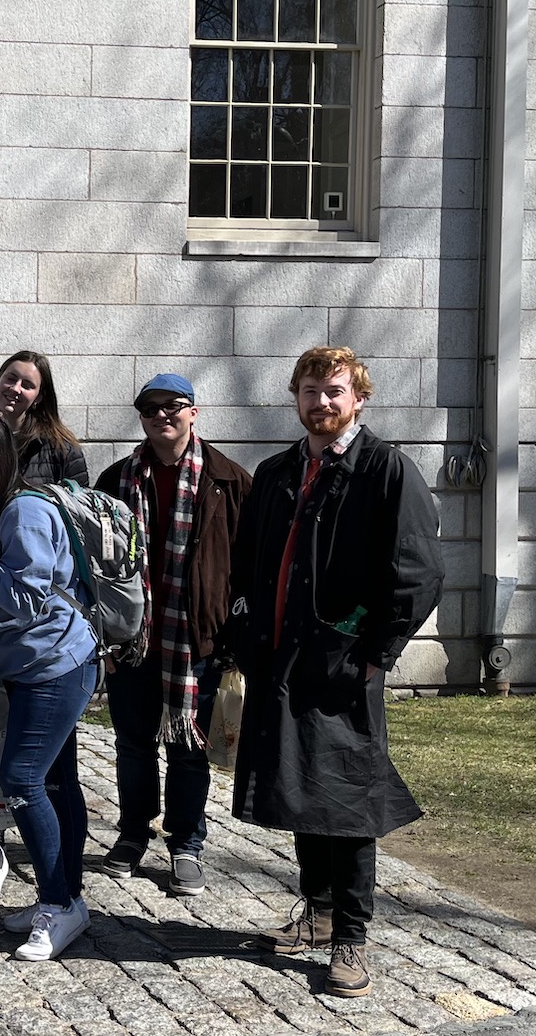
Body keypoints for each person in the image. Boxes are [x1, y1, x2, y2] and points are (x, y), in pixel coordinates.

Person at [227, 347, 443, 999]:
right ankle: (317, 913)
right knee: (298, 789)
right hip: (281, 664)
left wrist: (377, 650)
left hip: (344, 668)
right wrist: (243, 637)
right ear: (296, 396)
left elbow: (420, 572)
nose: (322, 402)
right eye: (311, 390)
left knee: (347, 801)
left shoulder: (385, 469)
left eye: (335, 391)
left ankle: (350, 935)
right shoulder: (276, 472)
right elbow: (245, 566)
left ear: (359, 398)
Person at [92, 374, 251, 897]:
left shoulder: (228, 480)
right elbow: (90, 564)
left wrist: (234, 639)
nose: (163, 415)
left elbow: (249, 566)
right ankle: (134, 833)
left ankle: (187, 842)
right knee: (133, 745)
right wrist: (102, 636)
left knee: (189, 749)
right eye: (150, 407)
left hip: (198, 644)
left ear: (193, 412)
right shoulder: (116, 480)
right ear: (140, 416)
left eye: (174, 406)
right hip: (131, 642)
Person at [0, 414, 98, 962]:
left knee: (21, 779)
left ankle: (59, 905)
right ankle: (65, 901)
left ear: (6, 455)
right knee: (58, 783)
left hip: (55, 663)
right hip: (43, 662)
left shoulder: (23, 509)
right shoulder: (0, 506)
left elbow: (27, 597)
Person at [0, 351, 89, 484]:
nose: (16, 388)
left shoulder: (62, 449)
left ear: (39, 397)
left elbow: (80, 501)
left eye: (27, 385)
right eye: (11, 379)